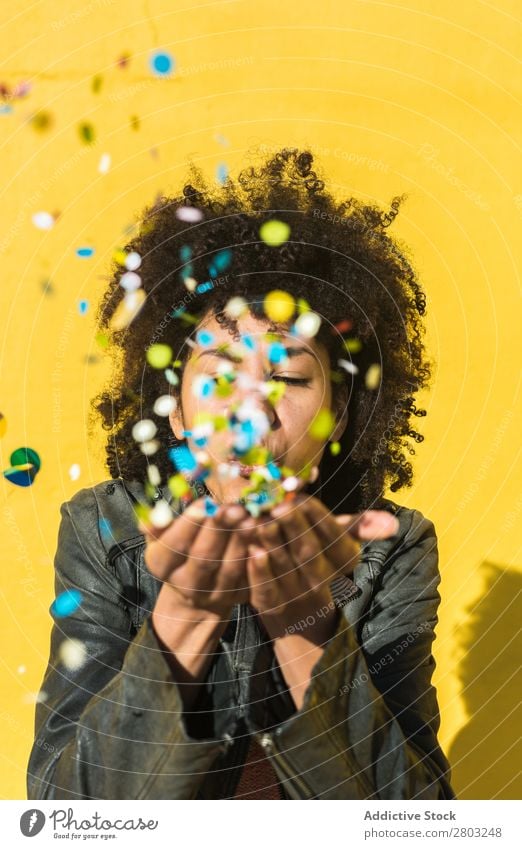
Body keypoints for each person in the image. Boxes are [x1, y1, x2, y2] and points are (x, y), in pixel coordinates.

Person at [27, 147, 456, 800]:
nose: (251, 412)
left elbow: (421, 822)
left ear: (339, 416)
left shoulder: (392, 545)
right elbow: (62, 816)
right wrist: (182, 618)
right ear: (173, 410)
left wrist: (306, 623)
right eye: (222, 375)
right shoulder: (104, 530)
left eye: (285, 377)